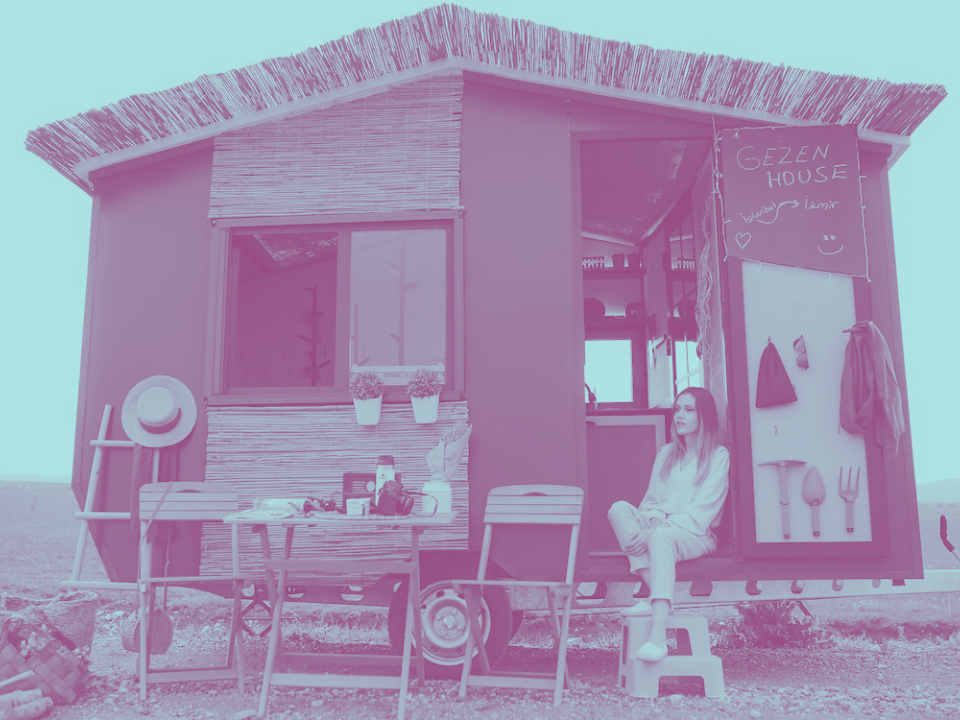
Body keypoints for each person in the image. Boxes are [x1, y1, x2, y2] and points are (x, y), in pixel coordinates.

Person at [607, 387, 729, 662]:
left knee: (661, 539)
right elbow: (650, 502)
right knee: (618, 511)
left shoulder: (718, 457)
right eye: (677, 409)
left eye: (688, 410)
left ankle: (658, 636)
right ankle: (656, 597)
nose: (679, 416)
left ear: (704, 416)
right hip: (661, 527)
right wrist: (653, 521)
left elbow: (700, 515)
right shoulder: (667, 454)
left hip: (696, 534)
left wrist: (657, 529)